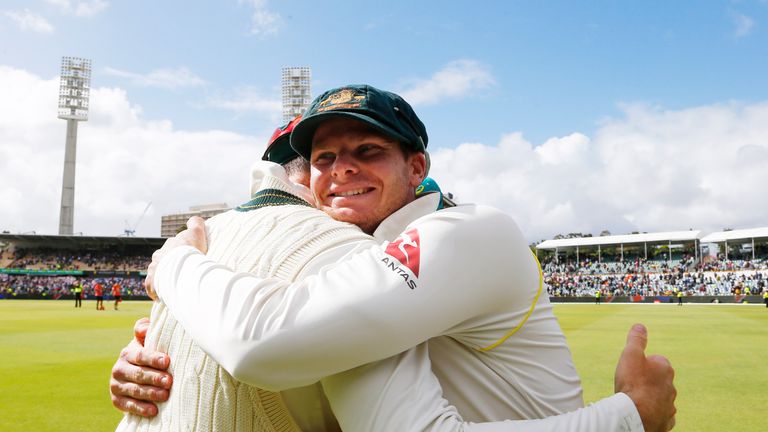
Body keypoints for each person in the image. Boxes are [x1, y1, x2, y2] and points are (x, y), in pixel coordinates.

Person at [112, 84, 676, 431]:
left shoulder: (469, 232)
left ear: (417, 166)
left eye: (368, 151)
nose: (341, 170)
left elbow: (263, 343)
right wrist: (162, 363)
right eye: (325, 158)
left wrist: (177, 265)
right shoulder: (353, 259)